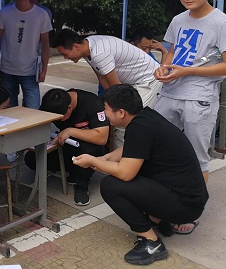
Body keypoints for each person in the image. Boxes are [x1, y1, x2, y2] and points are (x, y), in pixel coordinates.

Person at [74, 85, 208, 265]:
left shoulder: (139, 128)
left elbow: (125, 173)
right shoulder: (145, 117)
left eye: (106, 109)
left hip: (185, 205)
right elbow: (131, 148)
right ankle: (160, 220)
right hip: (189, 198)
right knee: (136, 170)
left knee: (110, 185)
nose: (104, 114)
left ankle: (151, 242)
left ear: (121, 112)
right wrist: (104, 158)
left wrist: (94, 161)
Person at [154, 0, 226, 233]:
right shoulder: (178, 20)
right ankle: (163, 201)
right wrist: (164, 68)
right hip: (170, 92)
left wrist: (188, 72)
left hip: (200, 97)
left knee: (196, 156)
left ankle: (192, 211)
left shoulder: (221, 22)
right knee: (159, 149)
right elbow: (172, 53)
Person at [53, 28, 161, 149]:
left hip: (148, 80)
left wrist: (113, 110)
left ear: (75, 46)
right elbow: (102, 78)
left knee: (124, 121)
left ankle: (125, 158)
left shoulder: (99, 54)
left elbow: (119, 90)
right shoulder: (88, 47)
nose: (65, 58)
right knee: (117, 117)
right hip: (132, 81)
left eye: (64, 54)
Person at [25, 88, 109, 206]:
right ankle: (73, 170)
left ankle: (81, 186)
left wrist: (70, 131)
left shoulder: (92, 104)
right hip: (65, 145)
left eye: (60, 118)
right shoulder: (51, 105)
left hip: (89, 148)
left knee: (88, 150)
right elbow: (38, 124)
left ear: (69, 108)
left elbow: (102, 138)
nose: (58, 121)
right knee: (31, 159)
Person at [0, 0, 52, 109]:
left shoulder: (41, 14)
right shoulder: (4, 13)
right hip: (7, 70)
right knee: (9, 111)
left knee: (33, 110)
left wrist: (44, 69)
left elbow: (45, 44)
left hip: (30, 71)